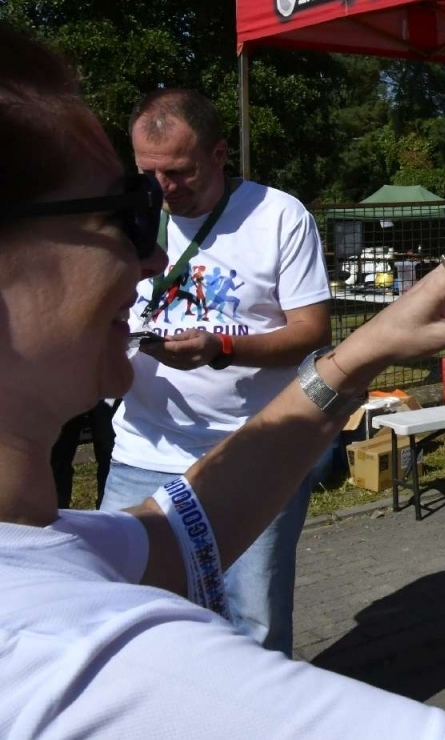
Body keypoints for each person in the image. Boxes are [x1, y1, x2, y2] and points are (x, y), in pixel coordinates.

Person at [0, 28, 445, 739]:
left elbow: (182, 535)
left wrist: (363, 352)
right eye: (125, 211)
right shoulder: (91, 662)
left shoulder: (38, 552)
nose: (152, 256)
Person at [97, 88, 331, 655]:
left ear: (220, 153)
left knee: (252, 624)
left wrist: (220, 348)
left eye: (179, 172)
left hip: (253, 450)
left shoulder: (279, 215)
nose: (163, 189)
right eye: (148, 173)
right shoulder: (130, 210)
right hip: (143, 450)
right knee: (118, 608)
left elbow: (312, 330)